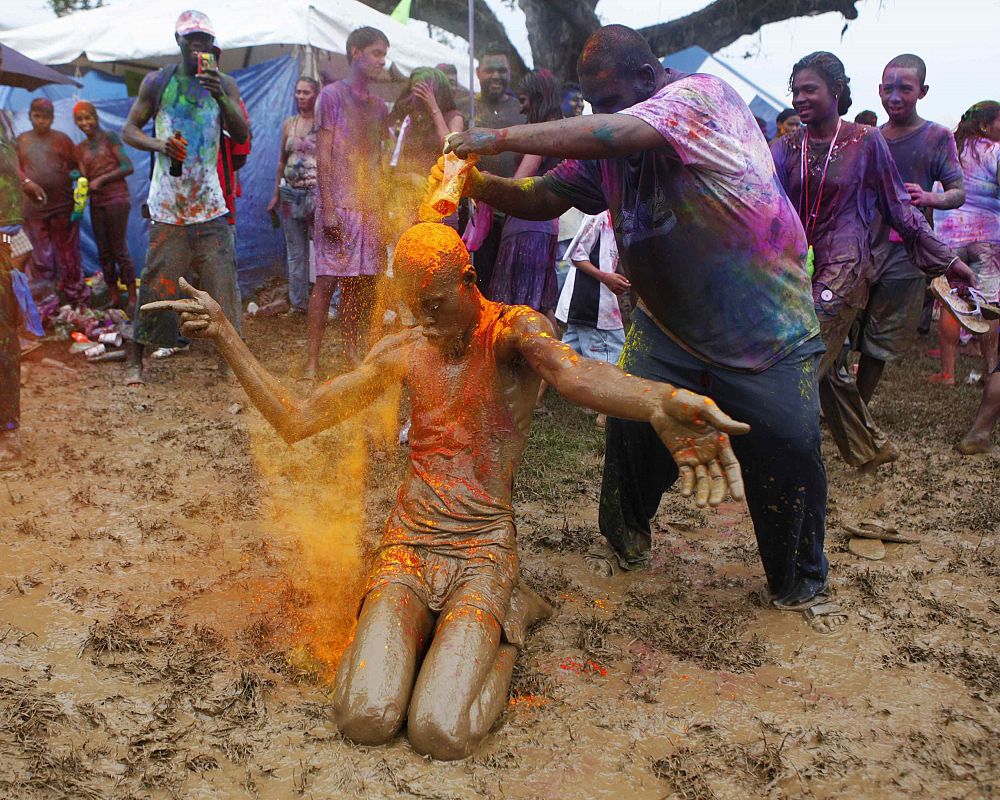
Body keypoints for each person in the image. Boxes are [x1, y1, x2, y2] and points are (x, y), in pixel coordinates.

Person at [143, 222, 749, 760]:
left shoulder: (513, 331)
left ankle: (511, 616)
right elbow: (297, 419)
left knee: (441, 732)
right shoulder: (405, 348)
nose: (426, 322)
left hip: (481, 551)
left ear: (468, 280)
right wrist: (226, 334)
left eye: (434, 305)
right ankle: (430, 626)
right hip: (407, 548)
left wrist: (659, 400)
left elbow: (575, 374)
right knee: (365, 719)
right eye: (414, 309)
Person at [446, 25, 843, 628]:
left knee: (788, 447)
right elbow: (545, 194)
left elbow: (618, 130)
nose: (601, 113)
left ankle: (800, 587)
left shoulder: (701, 98)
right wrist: (477, 183)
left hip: (766, 330)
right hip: (666, 329)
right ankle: (624, 545)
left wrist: (495, 137)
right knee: (630, 432)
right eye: (593, 102)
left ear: (648, 77)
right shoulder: (612, 144)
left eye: (610, 100)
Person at [770, 51, 974, 471]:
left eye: (810, 89)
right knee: (829, 364)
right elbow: (757, 199)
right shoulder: (786, 146)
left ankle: (781, 455)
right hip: (796, 263)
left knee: (802, 352)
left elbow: (900, 208)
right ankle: (868, 447)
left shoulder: (865, 141)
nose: (800, 98)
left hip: (846, 265)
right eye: (796, 91)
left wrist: (946, 260)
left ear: (836, 91)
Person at [121, 9, 249, 386]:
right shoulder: (158, 81)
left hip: (210, 206)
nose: (198, 46)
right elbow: (129, 130)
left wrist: (219, 95)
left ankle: (230, 365)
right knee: (156, 283)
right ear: (178, 41)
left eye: (204, 40)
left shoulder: (224, 83)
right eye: (191, 39)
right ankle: (135, 361)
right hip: (169, 207)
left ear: (212, 44)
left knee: (222, 287)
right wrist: (160, 144)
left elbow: (242, 133)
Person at [855, 54, 965, 401]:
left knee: (881, 337)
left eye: (905, 88)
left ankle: (859, 406)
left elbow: (958, 192)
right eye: (888, 89)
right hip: (861, 247)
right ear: (879, 90)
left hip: (906, 253)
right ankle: (840, 402)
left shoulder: (937, 136)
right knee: (843, 327)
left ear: (923, 91)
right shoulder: (869, 138)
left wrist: (930, 198)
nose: (895, 97)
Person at [308, 26, 390, 376]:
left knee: (357, 286)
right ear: (355, 52)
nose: (382, 61)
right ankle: (311, 360)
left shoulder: (379, 107)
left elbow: (379, 162)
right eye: (377, 53)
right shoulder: (331, 96)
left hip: (368, 208)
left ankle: (350, 353)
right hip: (337, 205)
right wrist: (328, 209)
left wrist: (382, 208)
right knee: (326, 282)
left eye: (384, 55)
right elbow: (323, 156)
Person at [931, 101, 1000, 384]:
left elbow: (936, 192)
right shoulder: (995, 151)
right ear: (984, 125)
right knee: (990, 305)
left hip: (949, 238)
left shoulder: (949, 151)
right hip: (987, 239)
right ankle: (991, 372)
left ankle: (947, 373)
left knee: (951, 303)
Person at [1, 58, 48, 467]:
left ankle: (8, 431)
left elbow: (7, 164)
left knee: (4, 336)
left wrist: (25, 182)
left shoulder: (2, 118)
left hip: (4, 232)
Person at [487, 70, 562, 314]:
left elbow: (519, 183)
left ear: (538, 97)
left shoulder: (540, 132)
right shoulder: (559, 128)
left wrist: (485, 183)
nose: (521, 108)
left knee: (518, 308)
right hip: (546, 225)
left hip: (527, 227)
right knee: (540, 306)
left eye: (523, 100)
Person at [555, 210, 629, 427]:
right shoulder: (598, 215)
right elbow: (577, 255)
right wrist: (606, 278)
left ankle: (534, 400)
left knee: (563, 357)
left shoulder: (621, 216)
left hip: (587, 303)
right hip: (593, 304)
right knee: (610, 359)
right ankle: (605, 416)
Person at [17, 97, 87, 306]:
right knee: (40, 258)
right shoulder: (22, 140)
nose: (41, 121)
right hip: (34, 209)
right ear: (30, 116)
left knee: (68, 255)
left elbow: (79, 167)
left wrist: (78, 181)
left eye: (46, 117)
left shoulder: (62, 140)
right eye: (37, 116)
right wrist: (27, 182)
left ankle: (76, 298)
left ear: (53, 118)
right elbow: (14, 170)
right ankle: (44, 302)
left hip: (62, 207)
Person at [471, 43, 526, 294]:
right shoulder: (468, 108)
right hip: (475, 214)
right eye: (489, 70)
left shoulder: (521, 110)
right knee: (478, 283)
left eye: (502, 70)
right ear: (477, 72)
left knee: (510, 286)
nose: (496, 76)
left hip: (515, 213)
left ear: (510, 72)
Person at [72, 101, 136, 314]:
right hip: (97, 202)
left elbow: (127, 166)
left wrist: (102, 179)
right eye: (79, 120)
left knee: (119, 249)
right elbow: (84, 177)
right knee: (104, 252)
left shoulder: (109, 137)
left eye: (87, 117)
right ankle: (114, 297)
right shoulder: (80, 148)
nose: (84, 123)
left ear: (95, 117)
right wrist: (77, 177)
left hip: (117, 198)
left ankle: (132, 297)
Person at [388, 67, 464, 233]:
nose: (418, 97)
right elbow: (394, 170)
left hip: (440, 205)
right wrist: (411, 178)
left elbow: (451, 153)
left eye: (424, 91)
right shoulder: (411, 121)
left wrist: (434, 108)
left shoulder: (454, 117)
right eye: (414, 90)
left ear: (437, 91)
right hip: (410, 204)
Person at [268, 77, 319, 315]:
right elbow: (281, 160)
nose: (300, 96)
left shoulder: (323, 124)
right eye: (298, 92)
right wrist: (276, 194)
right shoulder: (289, 124)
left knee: (324, 251)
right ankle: (299, 304)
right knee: (296, 252)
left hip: (316, 194)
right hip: (290, 193)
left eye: (306, 92)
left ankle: (329, 305)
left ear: (316, 95)